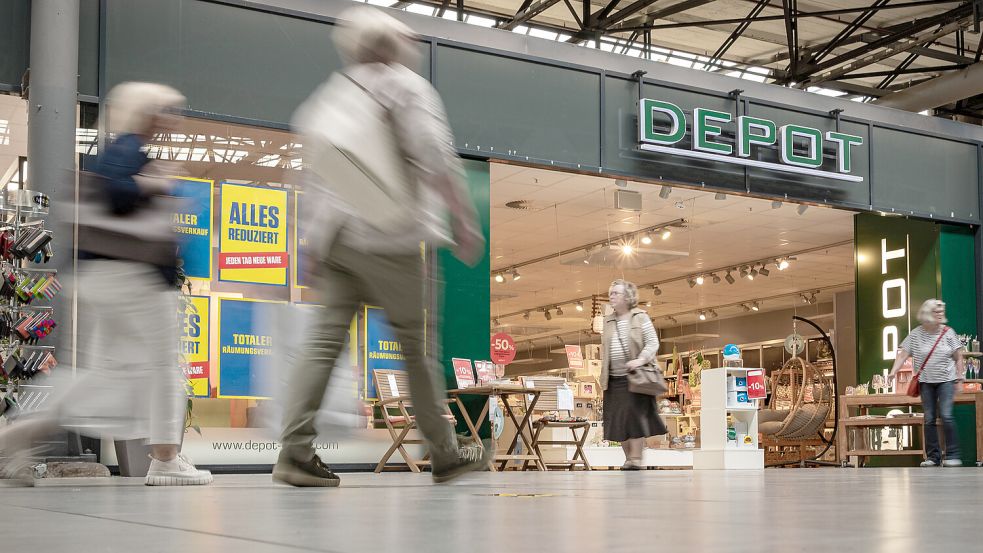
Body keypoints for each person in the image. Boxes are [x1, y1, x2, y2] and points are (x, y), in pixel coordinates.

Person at [275, 6, 486, 487]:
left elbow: (311, 177)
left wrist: (308, 247)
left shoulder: (329, 97)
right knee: (416, 346)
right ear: (391, 45)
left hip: (337, 240)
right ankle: (445, 452)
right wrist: (466, 220)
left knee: (324, 342)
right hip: (390, 234)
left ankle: (295, 452)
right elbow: (435, 156)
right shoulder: (406, 86)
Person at [0, 82, 212, 486]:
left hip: (104, 277)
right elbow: (117, 191)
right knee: (164, 364)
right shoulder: (128, 150)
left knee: (98, 375)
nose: (172, 121)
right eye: (166, 112)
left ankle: (17, 432)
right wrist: (156, 185)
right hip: (135, 279)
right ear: (148, 114)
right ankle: (167, 460)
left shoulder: (120, 151)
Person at [889, 299, 965, 467]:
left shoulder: (948, 332)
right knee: (929, 418)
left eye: (941, 312)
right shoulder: (916, 334)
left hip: (946, 380)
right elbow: (903, 355)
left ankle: (952, 455)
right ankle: (933, 457)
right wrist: (893, 371)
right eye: (936, 312)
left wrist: (959, 378)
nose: (940, 315)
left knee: (946, 415)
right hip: (926, 382)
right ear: (926, 314)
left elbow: (959, 357)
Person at [601, 279, 667, 470]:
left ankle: (636, 458)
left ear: (627, 297)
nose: (611, 296)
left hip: (636, 376)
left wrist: (640, 360)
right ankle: (629, 458)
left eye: (616, 293)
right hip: (613, 379)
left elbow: (653, 342)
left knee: (635, 418)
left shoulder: (640, 317)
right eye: (610, 292)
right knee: (618, 420)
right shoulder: (608, 320)